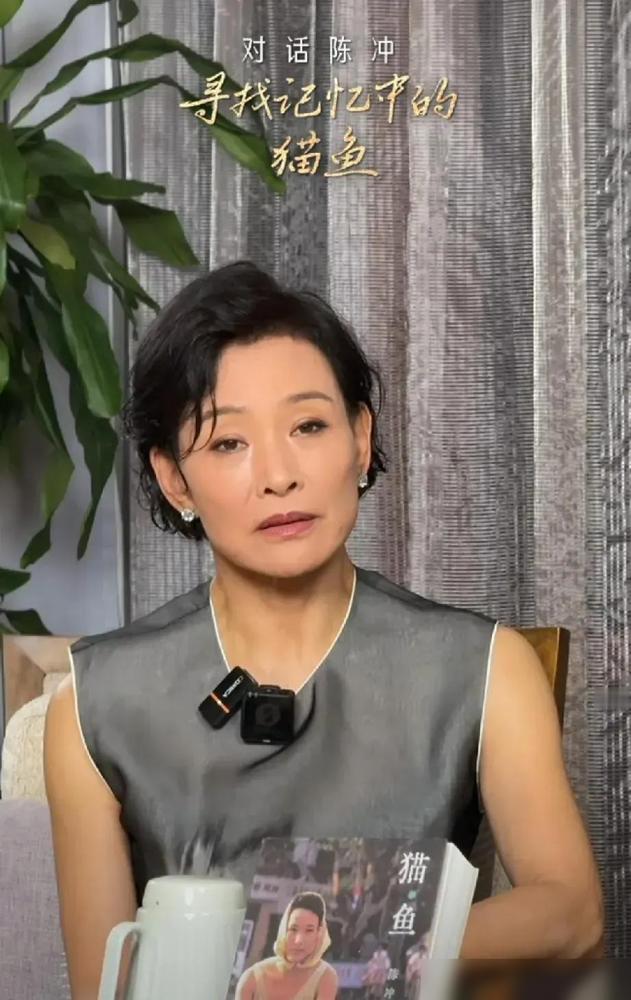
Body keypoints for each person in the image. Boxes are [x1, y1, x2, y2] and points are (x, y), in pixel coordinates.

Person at [44, 261, 604, 1000]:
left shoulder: (485, 666)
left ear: (360, 439)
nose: (279, 475)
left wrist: (334, 959)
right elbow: (105, 985)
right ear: (174, 479)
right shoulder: (94, 703)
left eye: (308, 425)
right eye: (228, 443)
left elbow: (572, 916)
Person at [236, 892, 338, 999]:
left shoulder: (325, 976)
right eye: (293, 929)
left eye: (309, 930)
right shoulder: (251, 978)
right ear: (284, 930)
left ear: (319, 933)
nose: (298, 941)